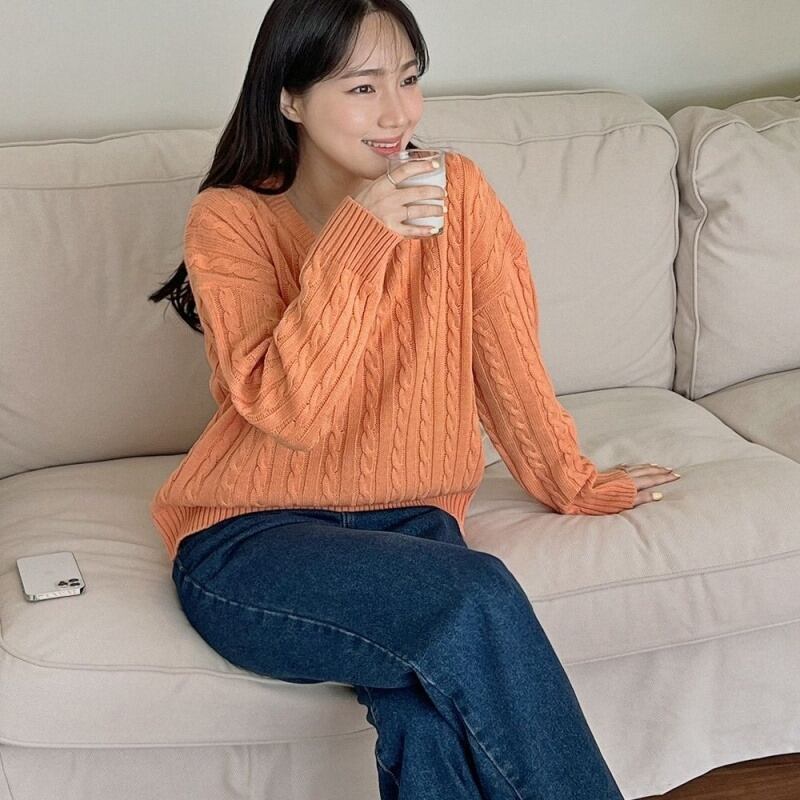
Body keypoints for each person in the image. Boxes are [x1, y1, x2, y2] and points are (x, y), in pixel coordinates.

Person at [147, 1, 680, 797]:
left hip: (412, 526)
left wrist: (572, 481)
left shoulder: (457, 194)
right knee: (477, 595)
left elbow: (507, 361)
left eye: (408, 79)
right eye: (363, 87)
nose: (398, 114)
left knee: (426, 718)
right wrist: (357, 242)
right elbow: (291, 413)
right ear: (290, 97)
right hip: (250, 541)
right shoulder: (230, 220)